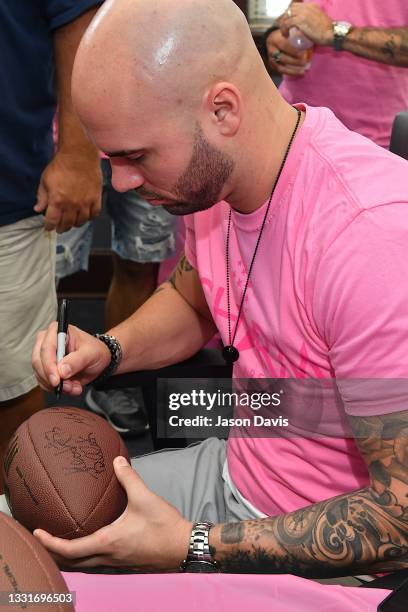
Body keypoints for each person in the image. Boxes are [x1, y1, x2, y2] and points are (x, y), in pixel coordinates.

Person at [26, 0, 408, 577]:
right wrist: (109, 350)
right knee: (19, 535)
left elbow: (400, 515)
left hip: (336, 551)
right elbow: (193, 298)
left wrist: (192, 545)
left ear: (223, 110)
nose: (123, 184)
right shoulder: (214, 180)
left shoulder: (371, 237)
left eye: (135, 157)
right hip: (235, 472)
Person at [0, 1, 104, 492]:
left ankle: (8, 529)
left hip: (6, 191)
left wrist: (80, 152)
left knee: (12, 379)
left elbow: (75, 19)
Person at [55, 156, 177, 437]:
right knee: (46, 269)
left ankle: (114, 383)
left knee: (139, 264)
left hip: (153, 142)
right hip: (69, 145)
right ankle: (26, 390)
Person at [264, 0, 408, 147]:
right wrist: (275, 33)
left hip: (369, 143)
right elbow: (299, 8)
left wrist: (334, 32)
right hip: (290, 127)